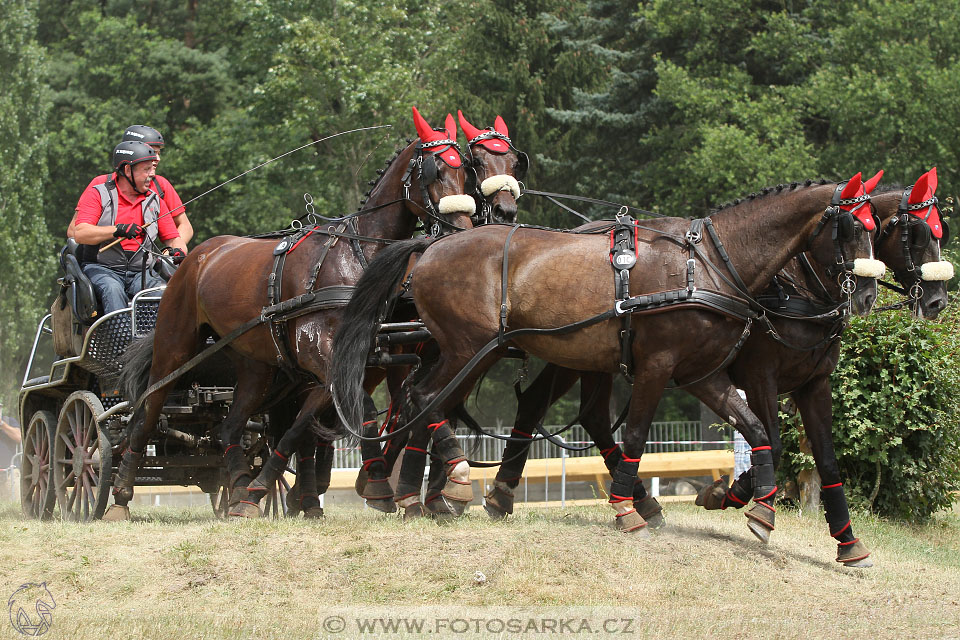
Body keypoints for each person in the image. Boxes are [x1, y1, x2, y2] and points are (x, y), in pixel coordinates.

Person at [73, 140, 187, 314]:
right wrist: (117, 230)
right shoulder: (98, 193)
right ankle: (121, 339)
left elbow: (174, 239)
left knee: (162, 292)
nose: (152, 175)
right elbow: (80, 233)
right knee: (112, 289)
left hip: (141, 272)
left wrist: (178, 252)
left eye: (153, 169)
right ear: (127, 170)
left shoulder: (155, 200)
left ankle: (156, 341)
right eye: (146, 170)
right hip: (102, 269)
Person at [68, 125, 193, 244]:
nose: (157, 158)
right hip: (102, 259)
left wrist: (169, 254)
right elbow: (74, 230)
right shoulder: (101, 185)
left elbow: (185, 226)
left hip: (145, 259)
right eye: (151, 152)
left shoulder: (161, 185)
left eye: (158, 153)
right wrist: (115, 231)